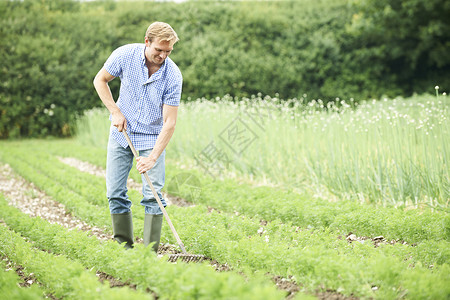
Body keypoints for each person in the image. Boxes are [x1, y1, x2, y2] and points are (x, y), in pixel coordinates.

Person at [93, 22, 182, 252]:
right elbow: (99, 80)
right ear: (147, 42)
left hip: (152, 136)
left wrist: (152, 157)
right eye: (158, 50)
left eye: (168, 51)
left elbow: (169, 123)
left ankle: (149, 254)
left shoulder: (173, 76)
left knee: (154, 196)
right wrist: (115, 111)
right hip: (122, 132)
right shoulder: (124, 55)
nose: (162, 56)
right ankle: (125, 250)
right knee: (115, 192)